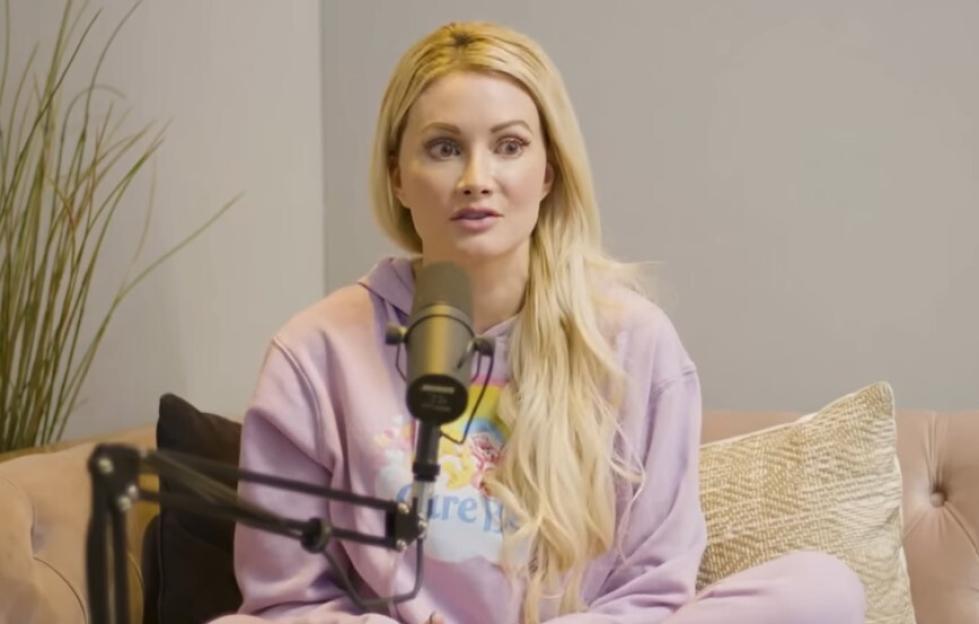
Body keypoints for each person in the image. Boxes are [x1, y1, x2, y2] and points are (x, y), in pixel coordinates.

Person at [211, 21, 865, 624]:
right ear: (398, 178)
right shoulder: (314, 352)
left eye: (509, 146)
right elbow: (286, 598)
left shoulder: (633, 341)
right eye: (444, 147)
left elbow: (653, 588)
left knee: (821, 588)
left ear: (548, 171)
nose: (476, 178)